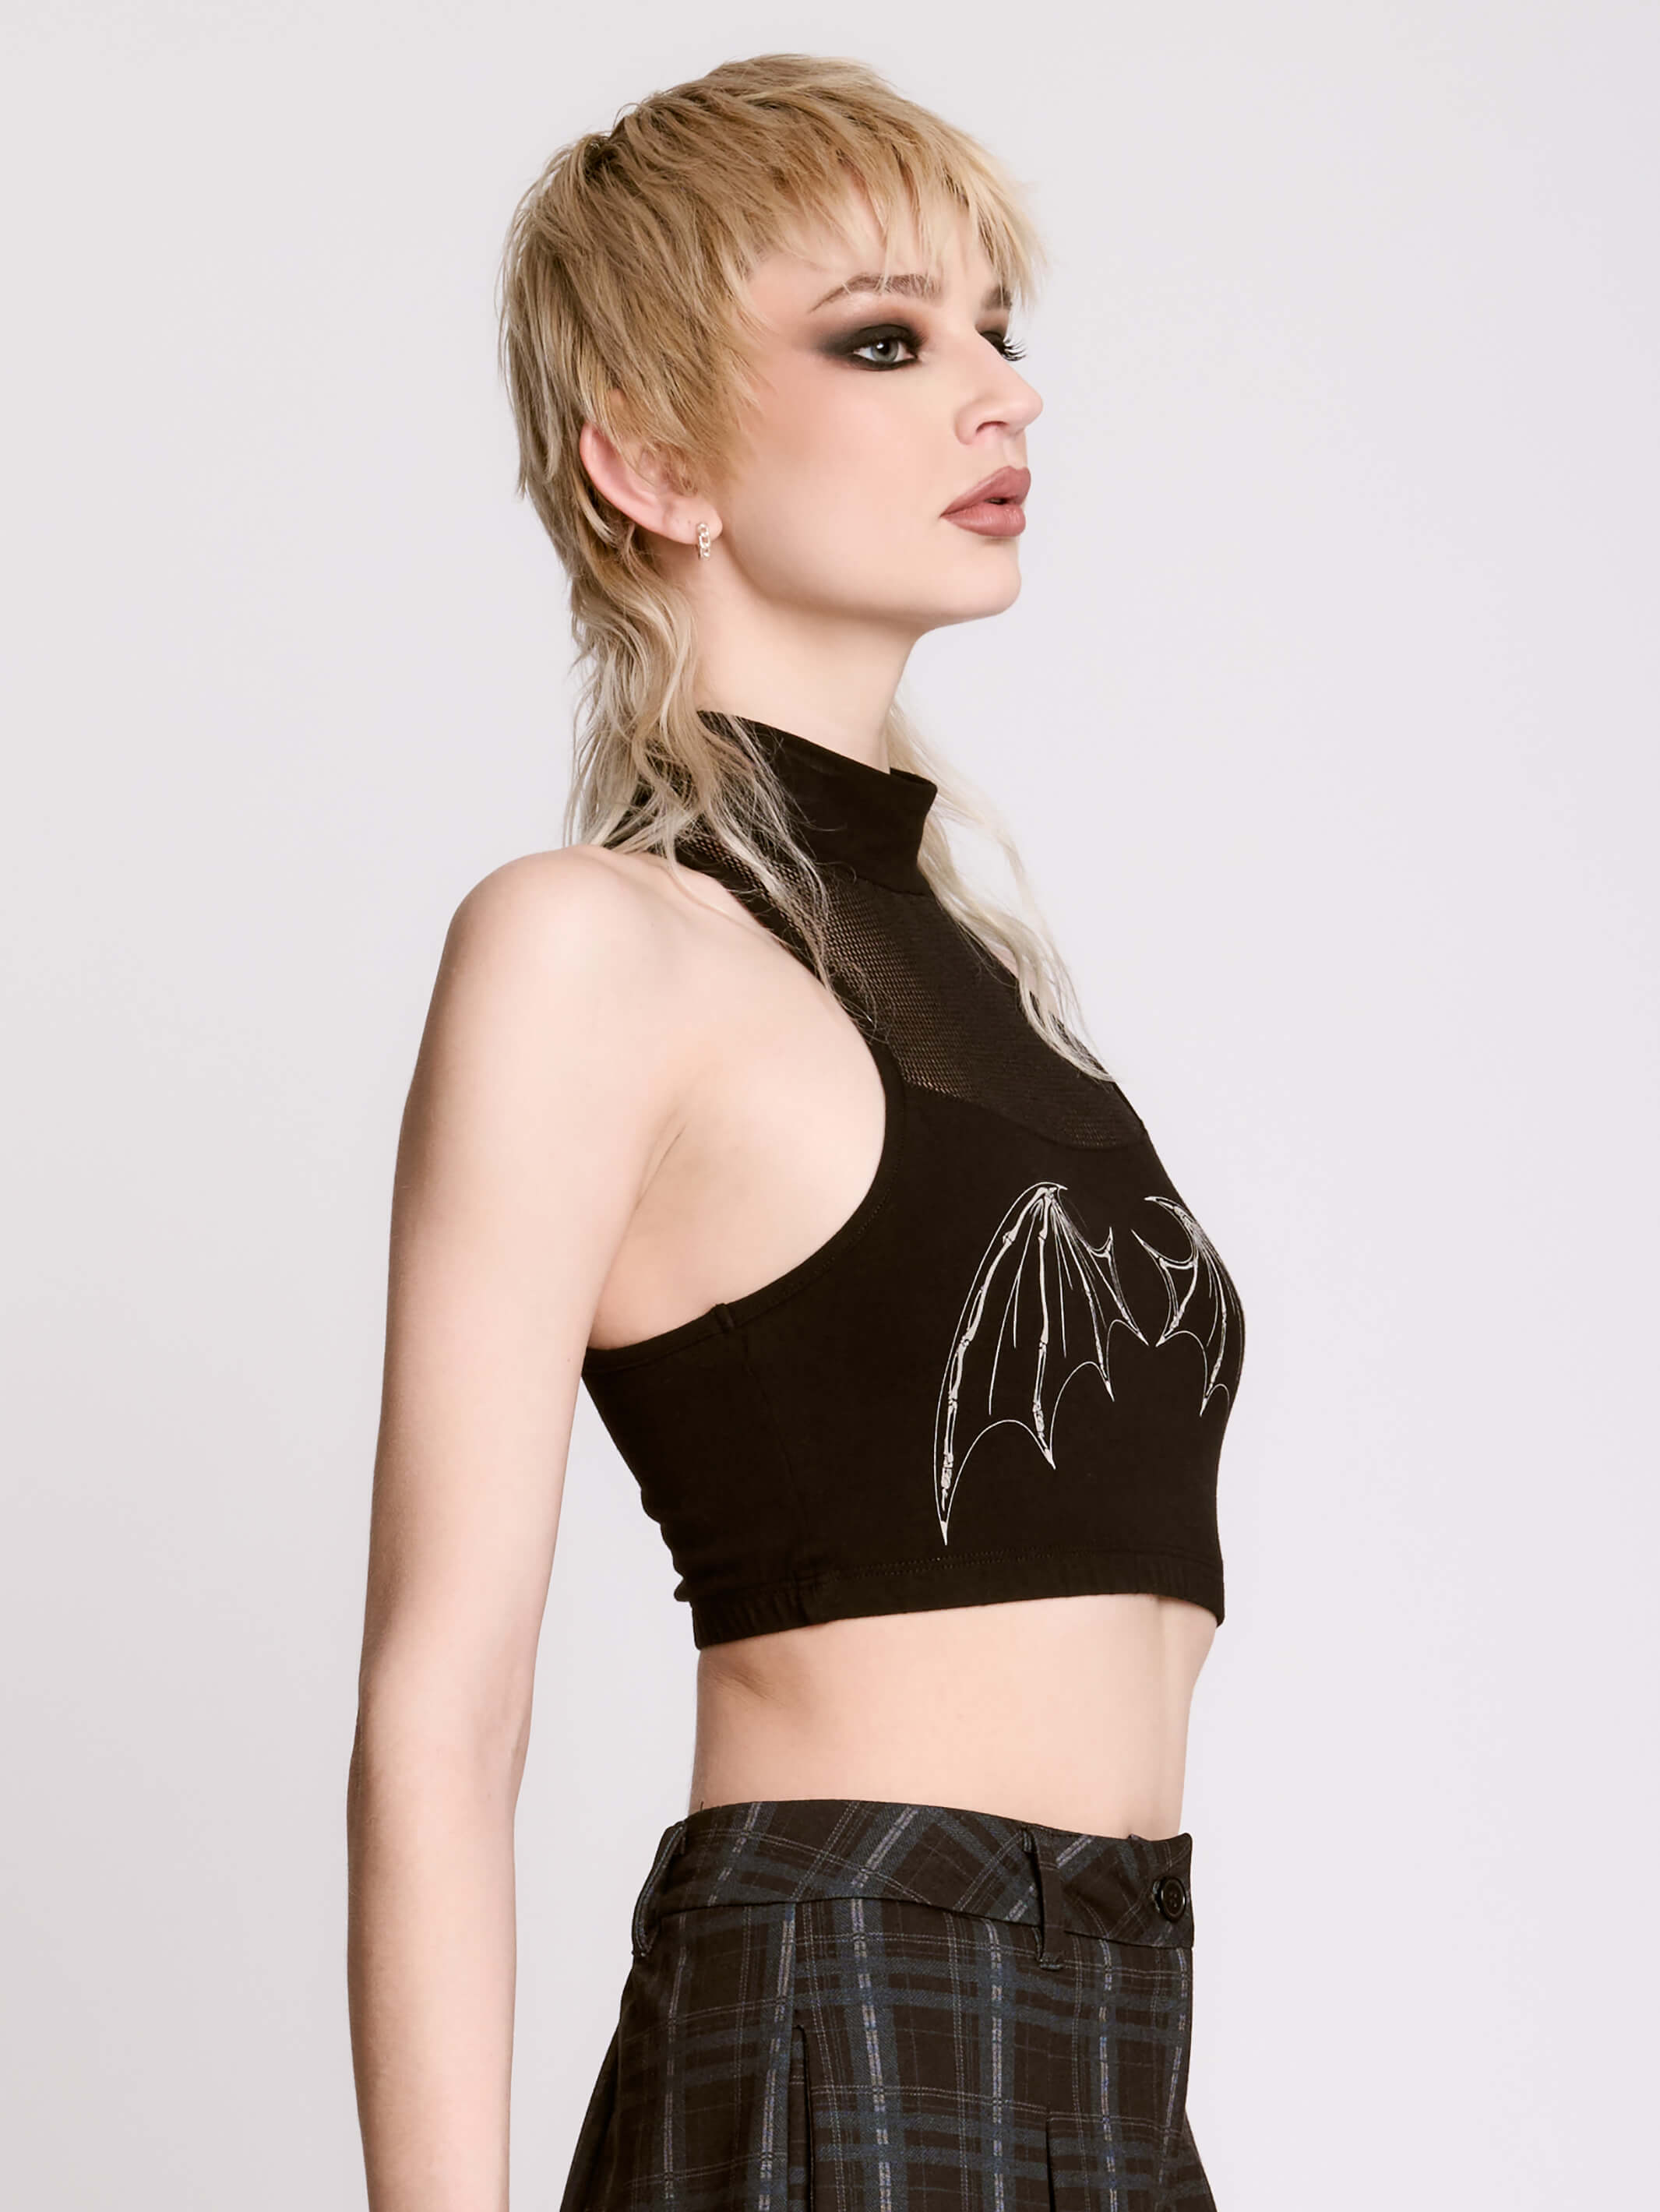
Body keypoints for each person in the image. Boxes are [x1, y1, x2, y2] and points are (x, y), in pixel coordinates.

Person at [347, 51, 1244, 2212]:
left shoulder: (986, 980)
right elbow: (437, 1724)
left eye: (996, 328)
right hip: (841, 2015)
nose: (1003, 394)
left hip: (1122, 2043)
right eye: (884, 340)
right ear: (650, 459)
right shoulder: (589, 949)